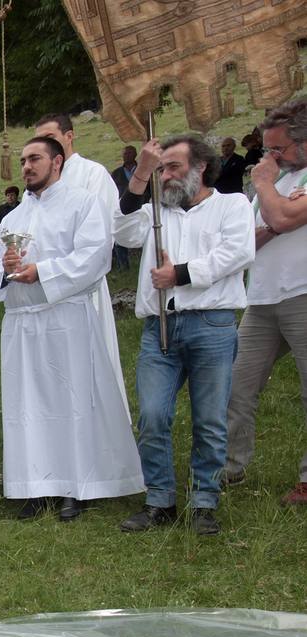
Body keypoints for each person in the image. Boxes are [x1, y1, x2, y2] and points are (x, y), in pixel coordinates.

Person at [0, 136, 143, 520]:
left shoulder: (83, 203)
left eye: (34, 158)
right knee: (26, 406)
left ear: (57, 162)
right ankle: (34, 486)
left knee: (71, 402)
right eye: (22, 160)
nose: (26, 167)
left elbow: (95, 256)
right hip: (22, 324)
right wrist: (4, 269)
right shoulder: (14, 216)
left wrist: (43, 272)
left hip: (65, 317)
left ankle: (75, 485)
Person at [113, 135, 256, 534]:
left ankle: (203, 502)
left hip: (213, 325)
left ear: (201, 168)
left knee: (209, 419)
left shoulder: (232, 205)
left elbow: (238, 253)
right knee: (153, 415)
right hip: (159, 326)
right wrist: (140, 172)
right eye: (161, 169)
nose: (166, 175)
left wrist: (179, 274)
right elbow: (121, 231)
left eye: (172, 166)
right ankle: (160, 499)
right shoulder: (155, 214)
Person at [225, 99, 307, 506]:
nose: (271, 157)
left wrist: (265, 188)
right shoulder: (275, 185)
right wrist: (276, 210)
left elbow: (283, 220)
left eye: (279, 149)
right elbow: (247, 238)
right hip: (261, 298)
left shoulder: (270, 182)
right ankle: (230, 465)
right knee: (237, 384)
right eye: (268, 149)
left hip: (304, 292)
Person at [35, 112, 126, 372]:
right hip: (44, 283)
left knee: (90, 364)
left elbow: (102, 234)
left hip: (83, 282)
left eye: (50, 137)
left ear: (69, 136)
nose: (45, 144)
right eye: (39, 139)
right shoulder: (39, 183)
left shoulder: (92, 174)